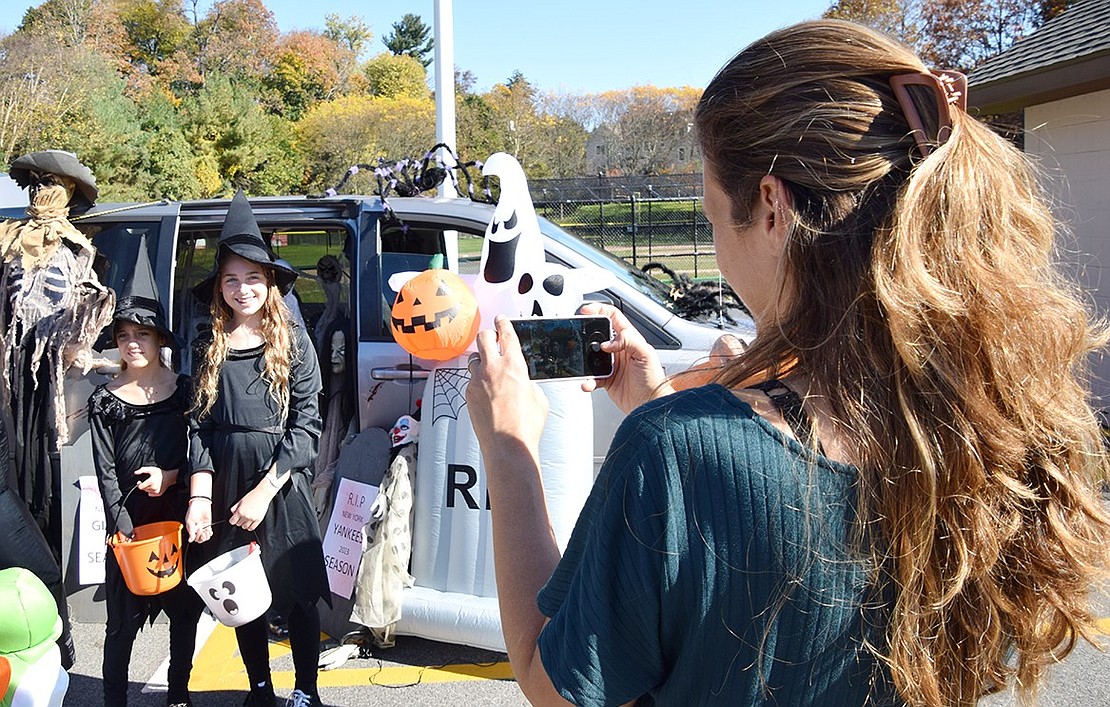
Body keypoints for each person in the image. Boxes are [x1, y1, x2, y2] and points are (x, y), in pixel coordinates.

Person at [465, 19, 1110, 707]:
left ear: (772, 207)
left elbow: (556, 684)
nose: (716, 241)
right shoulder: (998, 430)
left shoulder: (672, 455)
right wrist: (672, 402)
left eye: (713, 215)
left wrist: (508, 447)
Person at [184, 191, 327, 707]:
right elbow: (197, 426)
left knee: (298, 592)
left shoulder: (292, 338)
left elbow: (308, 424)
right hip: (226, 480)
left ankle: (306, 690)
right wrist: (201, 498)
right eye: (231, 279)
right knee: (242, 596)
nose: (242, 289)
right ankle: (260, 689)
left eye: (252, 278)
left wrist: (264, 492)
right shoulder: (208, 342)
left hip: (278, 482)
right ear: (218, 286)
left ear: (269, 284)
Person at [87, 262, 204, 707]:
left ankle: (178, 693)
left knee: (184, 614)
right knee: (121, 623)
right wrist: (121, 524)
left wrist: (173, 477)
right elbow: (103, 470)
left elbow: (202, 452)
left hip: (175, 516)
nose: (132, 344)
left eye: (143, 335)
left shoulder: (185, 390)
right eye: (123, 336)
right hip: (130, 524)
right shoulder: (106, 399)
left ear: (159, 341)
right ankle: (114, 700)